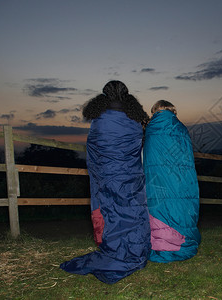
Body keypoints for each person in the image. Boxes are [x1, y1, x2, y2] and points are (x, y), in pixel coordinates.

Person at [60, 80, 151, 284]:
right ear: (126, 95)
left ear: (104, 96)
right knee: (132, 211)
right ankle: (135, 250)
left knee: (113, 212)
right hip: (132, 176)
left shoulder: (99, 121)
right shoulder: (134, 120)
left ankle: (118, 252)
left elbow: (92, 150)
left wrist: (100, 173)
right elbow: (138, 147)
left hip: (108, 177)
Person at [143, 100, 201, 263]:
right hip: (179, 179)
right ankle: (179, 242)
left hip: (157, 180)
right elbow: (187, 158)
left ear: (155, 111)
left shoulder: (151, 129)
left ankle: (161, 245)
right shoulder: (181, 128)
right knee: (178, 207)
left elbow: (147, 156)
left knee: (160, 207)